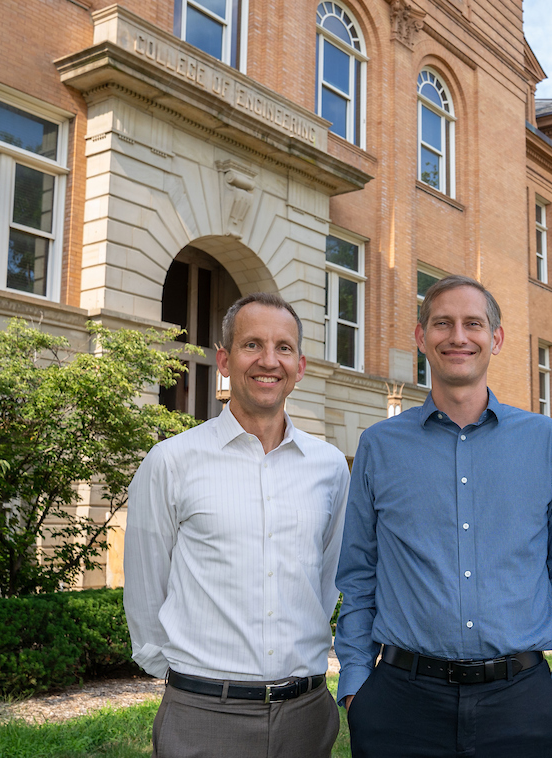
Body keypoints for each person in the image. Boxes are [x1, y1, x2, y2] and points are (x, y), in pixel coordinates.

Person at [335, 275, 552, 758]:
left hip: (523, 704)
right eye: (442, 323)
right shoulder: (379, 445)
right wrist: (356, 689)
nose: (458, 336)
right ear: (421, 337)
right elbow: (358, 574)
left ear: (495, 338)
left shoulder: (543, 441)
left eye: (473, 323)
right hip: (399, 706)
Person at [124, 292, 349, 758]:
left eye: (283, 348)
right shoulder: (172, 461)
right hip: (203, 716)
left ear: (300, 366)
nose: (269, 361)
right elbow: (146, 585)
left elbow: (326, 579)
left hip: (305, 716)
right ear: (225, 359)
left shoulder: (329, 467)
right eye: (253, 345)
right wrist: (185, 678)